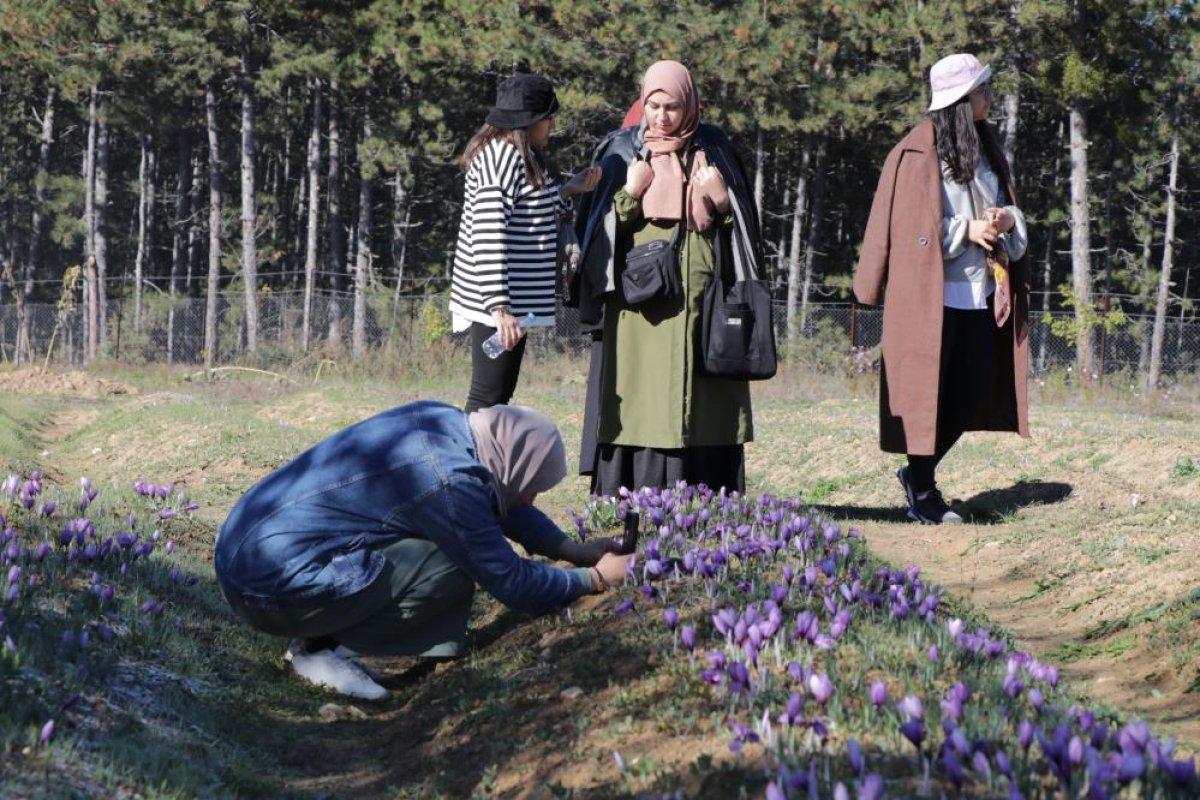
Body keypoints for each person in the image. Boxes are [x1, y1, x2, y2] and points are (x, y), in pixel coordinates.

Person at [214, 401, 632, 700]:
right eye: (533, 488)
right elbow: (509, 579)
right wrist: (593, 579)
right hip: (265, 585)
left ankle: (322, 632)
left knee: (447, 544)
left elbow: (501, 503)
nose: (533, 500)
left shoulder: (447, 424)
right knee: (451, 566)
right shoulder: (448, 479)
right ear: (513, 464)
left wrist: (573, 549)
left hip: (248, 555)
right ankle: (323, 649)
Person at [570, 60, 764, 497]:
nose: (660, 116)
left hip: (702, 303)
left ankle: (704, 497)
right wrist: (629, 194)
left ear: (690, 104)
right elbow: (596, 234)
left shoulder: (714, 149)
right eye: (652, 105)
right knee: (642, 397)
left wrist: (721, 201)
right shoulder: (621, 150)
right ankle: (634, 496)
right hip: (639, 308)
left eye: (672, 106)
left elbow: (744, 233)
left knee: (704, 401)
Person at [853, 53, 1031, 524]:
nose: (989, 97)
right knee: (925, 398)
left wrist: (1007, 219)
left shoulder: (989, 147)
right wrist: (966, 232)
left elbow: (1010, 212)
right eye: (982, 90)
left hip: (982, 295)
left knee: (970, 392)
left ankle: (918, 478)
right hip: (929, 299)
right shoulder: (916, 152)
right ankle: (924, 489)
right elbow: (914, 228)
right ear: (960, 100)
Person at [449, 73, 601, 413]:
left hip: (514, 306)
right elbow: (488, 230)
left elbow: (530, 209)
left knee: (497, 399)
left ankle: (483, 463)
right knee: (487, 400)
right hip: (499, 307)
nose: (552, 124)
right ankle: (470, 464)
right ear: (530, 120)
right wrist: (499, 307)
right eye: (548, 116)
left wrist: (569, 190)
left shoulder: (523, 155)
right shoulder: (500, 158)